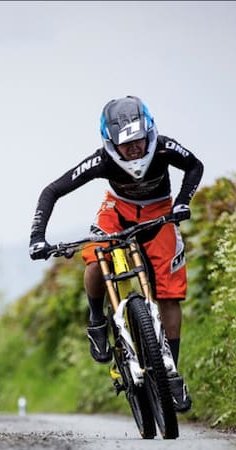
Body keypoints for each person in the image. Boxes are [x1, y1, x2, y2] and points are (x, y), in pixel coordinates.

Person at [29, 95, 203, 412]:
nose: (134, 149)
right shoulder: (102, 161)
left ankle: (170, 374)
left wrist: (182, 202)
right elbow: (51, 191)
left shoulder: (164, 148)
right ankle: (97, 321)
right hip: (116, 211)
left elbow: (194, 166)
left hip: (159, 213)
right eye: (126, 145)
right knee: (97, 258)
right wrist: (37, 237)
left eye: (138, 141)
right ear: (111, 145)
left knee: (169, 294)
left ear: (149, 133)